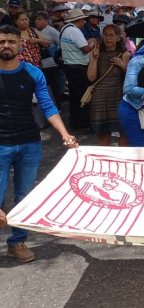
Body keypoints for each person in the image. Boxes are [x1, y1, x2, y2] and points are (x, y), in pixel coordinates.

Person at [0, 24, 78, 263]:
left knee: (24, 196)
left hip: (30, 143)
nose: (6, 46)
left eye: (11, 41)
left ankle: (18, 242)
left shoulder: (33, 73)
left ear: (20, 44)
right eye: (2, 41)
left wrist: (65, 134)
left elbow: (48, 106)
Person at [87, 24, 130, 146]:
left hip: (118, 96)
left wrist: (123, 65)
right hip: (99, 98)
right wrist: (94, 59)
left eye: (111, 35)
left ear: (118, 38)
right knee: (102, 133)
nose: (108, 38)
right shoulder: (96, 54)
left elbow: (131, 79)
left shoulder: (125, 54)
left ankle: (122, 161)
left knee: (124, 131)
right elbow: (91, 77)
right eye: (105, 35)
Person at [59, 8, 97, 131]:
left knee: (75, 96)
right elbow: (85, 49)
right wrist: (92, 43)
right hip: (78, 67)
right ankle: (82, 122)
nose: (84, 23)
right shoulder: (74, 31)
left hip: (69, 65)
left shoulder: (64, 30)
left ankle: (75, 121)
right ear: (78, 20)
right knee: (83, 95)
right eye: (82, 20)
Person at [34, 11, 63, 104]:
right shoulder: (37, 32)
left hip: (51, 63)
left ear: (46, 21)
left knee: (54, 86)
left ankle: (57, 106)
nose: (37, 22)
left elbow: (61, 43)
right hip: (42, 63)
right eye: (36, 20)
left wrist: (54, 53)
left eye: (40, 19)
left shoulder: (51, 30)